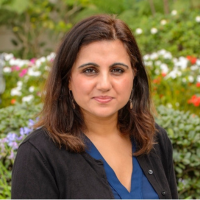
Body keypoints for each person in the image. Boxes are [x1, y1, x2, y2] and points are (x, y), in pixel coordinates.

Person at [11, 14, 178, 199]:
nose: (104, 84)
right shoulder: (38, 154)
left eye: (117, 70)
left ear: (134, 75)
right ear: (68, 79)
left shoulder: (154, 140)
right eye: (90, 70)